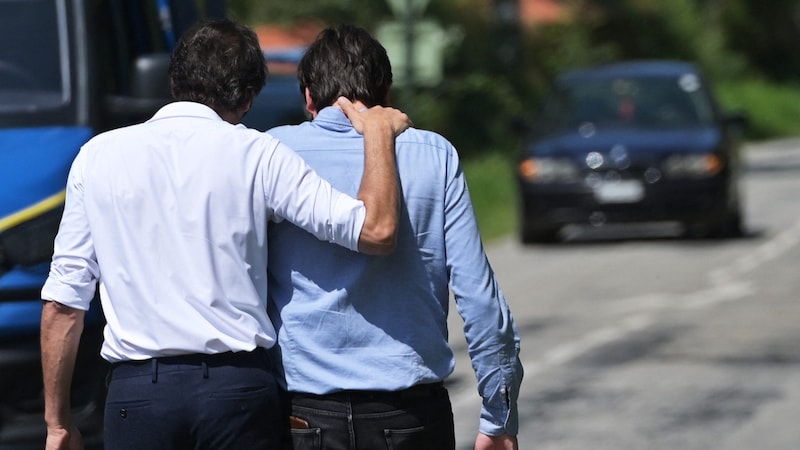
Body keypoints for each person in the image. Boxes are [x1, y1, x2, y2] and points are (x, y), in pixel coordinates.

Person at [40, 19, 410, 450]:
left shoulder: (96, 157)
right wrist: (379, 136)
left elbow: (63, 305)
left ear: (174, 79)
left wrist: (58, 424)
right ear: (248, 98)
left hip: (138, 396)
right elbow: (375, 230)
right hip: (236, 392)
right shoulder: (257, 153)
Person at [266, 24, 523, 450]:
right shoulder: (434, 155)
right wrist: (499, 418)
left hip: (301, 414)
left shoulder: (269, 154)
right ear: (387, 94)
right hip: (409, 415)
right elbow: (480, 299)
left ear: (308, 98)